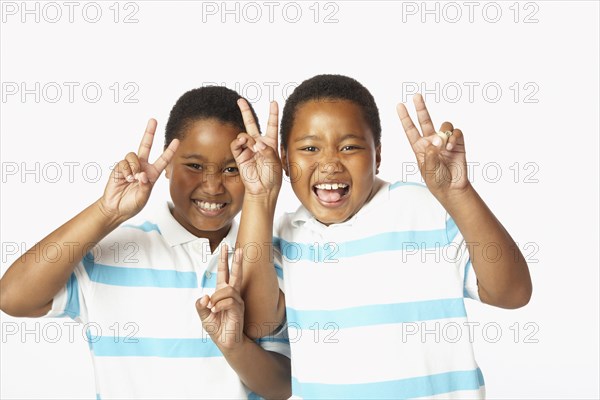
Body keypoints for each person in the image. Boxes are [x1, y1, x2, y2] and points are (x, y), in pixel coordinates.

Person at [247, 74, 533, 398]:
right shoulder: (283, 239)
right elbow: (259, 322)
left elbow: (513, 293)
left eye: (350, 147)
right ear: (285, 159)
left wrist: (459, 193)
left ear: (377, 155)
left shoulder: (424, 209)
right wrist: (258, 196)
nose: (329, 163)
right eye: (310, 148)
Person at [0, 86, 291, 399]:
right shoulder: (112, 254)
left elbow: (281, 386)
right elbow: (13, 298)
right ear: (166, 165)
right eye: (194, 166)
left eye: (232, 169)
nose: (212, 185)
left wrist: (235, 347)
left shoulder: (269, 259)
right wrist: (106, 212)